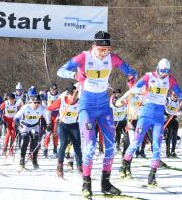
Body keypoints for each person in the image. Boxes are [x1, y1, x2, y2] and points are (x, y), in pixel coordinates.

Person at [57, 31, 137, 199]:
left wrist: (132, 78)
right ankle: (86, 184)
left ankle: (106, 183)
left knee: (110, 147)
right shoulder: (84, 57)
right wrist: (74, 74)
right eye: (101, 49)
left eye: (107, 49)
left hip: (103, 107)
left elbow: (131, 71)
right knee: (90, 147)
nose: (104, 53)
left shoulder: (112, 58)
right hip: (86, 107)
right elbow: (60, 71)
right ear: (94, 46)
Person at [120, 59, 182, 185]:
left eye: (166, 71)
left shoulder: (170, 79)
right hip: (146, 113)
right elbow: (134, 89)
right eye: (162, 70)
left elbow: (178, 92)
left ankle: (152, 176)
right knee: (136, 142)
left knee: (157, 145)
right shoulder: (148, 76)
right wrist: (141, 90)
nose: (164, 73)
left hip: (159, 116)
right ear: (157, 68)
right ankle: (124, 164)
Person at [47, 83, 83, 177]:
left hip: (74, 125)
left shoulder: (80, 102)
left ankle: (79, 166)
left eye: (76, 94)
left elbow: (87, 111)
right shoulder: (62, 100)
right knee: (63, 144)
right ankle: (60, 166)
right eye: (72, 94)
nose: (74, 96)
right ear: (68, 94)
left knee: (77, 146)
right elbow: (49, 109)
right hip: (63, 125)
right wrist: (48, 122)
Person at [14, 93, 44, 170]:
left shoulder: (42, 108)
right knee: (25, 140)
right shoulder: (26, 107)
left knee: (35, 142)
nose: (37, 104)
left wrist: (48, 125)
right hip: (25, 126)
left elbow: (47, 116)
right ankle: (22, 159)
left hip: (35, 126)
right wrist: (17, 123)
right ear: (31, 102)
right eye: (35, 102)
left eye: (38, 102)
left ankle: (34, 161)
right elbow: (16, 117)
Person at [43, 83, 60, 159]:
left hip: (57, 114)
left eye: (55, 89)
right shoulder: (47, 94)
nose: (54, 91)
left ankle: (55, 148)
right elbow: (44, 106)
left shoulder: (59, 95)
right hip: (49, 114)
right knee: (48, 132)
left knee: (55, 133)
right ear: (50, 89)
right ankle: (45, 148)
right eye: (52, 89)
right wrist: (48, 123)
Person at [110, 89, 128, 155]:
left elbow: (126, 104)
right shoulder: (112, 99)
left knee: (125, 133)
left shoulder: (122, 99)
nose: (118, 94)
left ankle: (123, 145)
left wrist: (124, 106)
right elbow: (111, 105)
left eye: (119, 93)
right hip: (116, 119)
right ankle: (116, 146)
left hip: (123, 119)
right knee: (117, 133)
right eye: (116, 93)